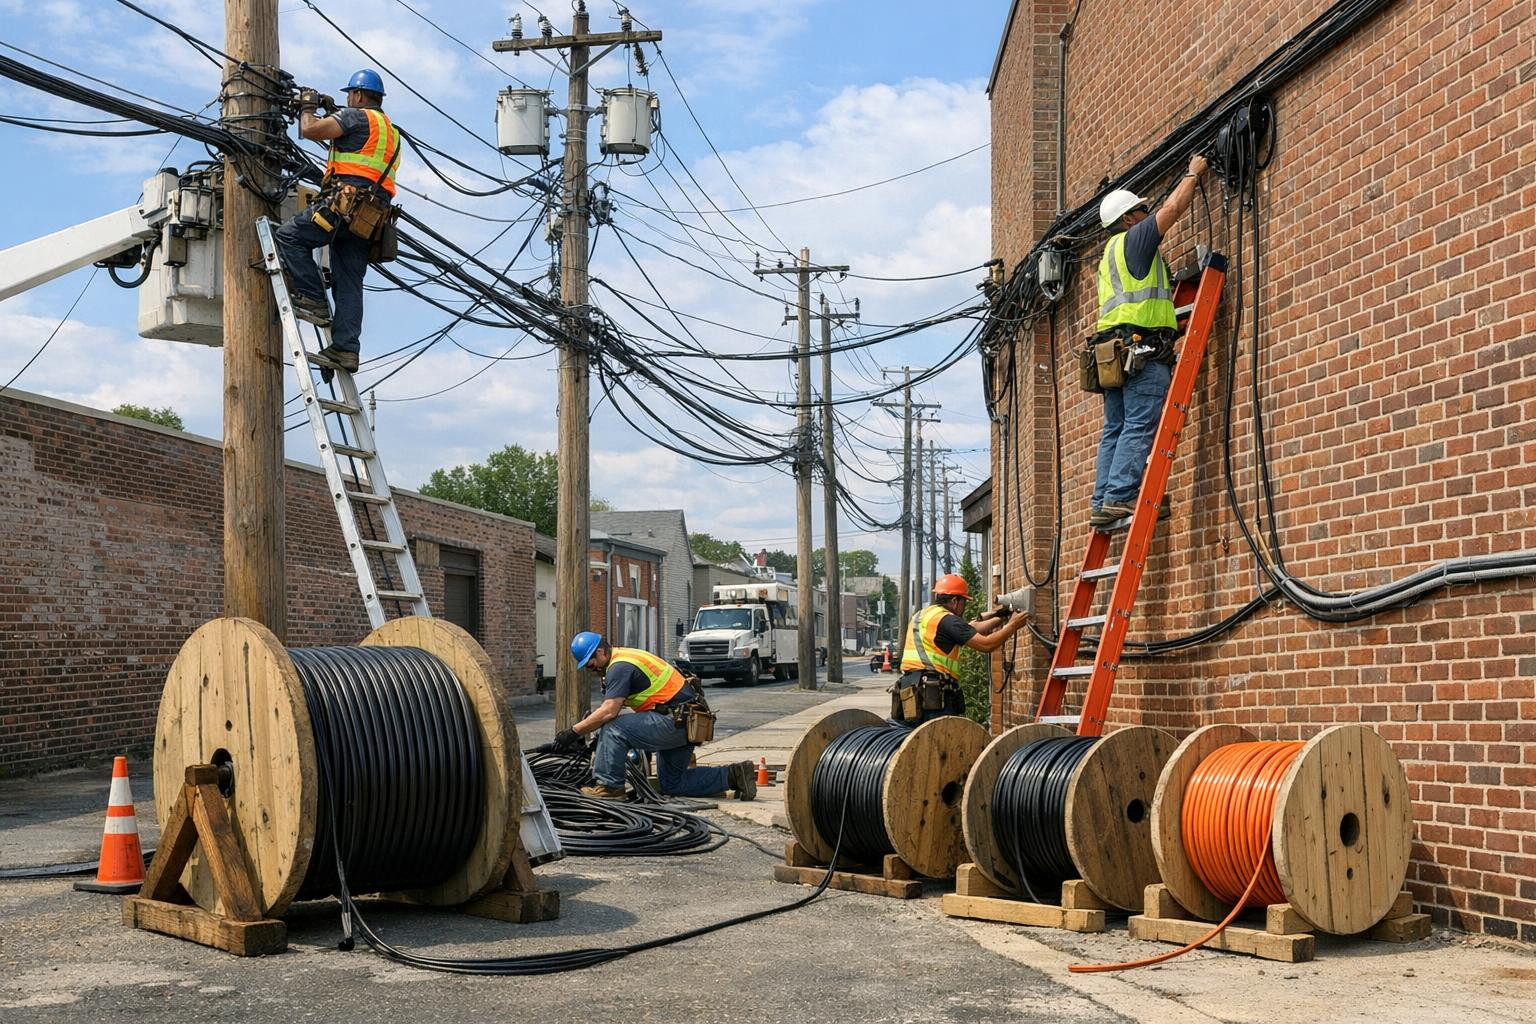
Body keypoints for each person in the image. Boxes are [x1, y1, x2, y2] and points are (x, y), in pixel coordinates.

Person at [1089, 153, 1209, 529]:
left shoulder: (1107, 256)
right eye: (1141, 211)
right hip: (1141, 351)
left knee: (1117, 427)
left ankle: (1103, 500)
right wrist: (1192, 171)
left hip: (1112, 355)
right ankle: (1122, 496)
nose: (1147, 215)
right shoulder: (1133, 240)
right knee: (1140, 424)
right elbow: (1172, 209)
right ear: (1127, 219)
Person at [274, 69, 401, 373]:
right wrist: (332, 110)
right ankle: (346, 350)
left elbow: (311, 131)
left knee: (289, 236)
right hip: (369, 219)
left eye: (349, 95)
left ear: (357, 95)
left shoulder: (356, 118)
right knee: (349, 281)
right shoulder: (390, 131)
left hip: (344, 204)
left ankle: (312, 297)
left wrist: (307, 106)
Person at [552, 632, 758, 801]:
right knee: (672, 783)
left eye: (590, 664)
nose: (591, 670)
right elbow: (611, 707)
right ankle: (734, 775)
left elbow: (609, 711)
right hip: (686, 722)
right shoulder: (622, 659)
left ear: (600, 651)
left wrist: (573, 732)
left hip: (674, 721)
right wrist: (588, 729)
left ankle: (609, 787)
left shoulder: (619, 666)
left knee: (613, 728)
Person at [894, 574, 1028, 725]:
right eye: (964, 601)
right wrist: (1013, 626)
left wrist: (1000, 616)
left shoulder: (925, 615)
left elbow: (970, 628)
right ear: (955, 600)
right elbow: (986, 644)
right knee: (942, 743)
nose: (965, 606)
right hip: (934, 697)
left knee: (915, 741)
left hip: (911, 692)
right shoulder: (948, 620)